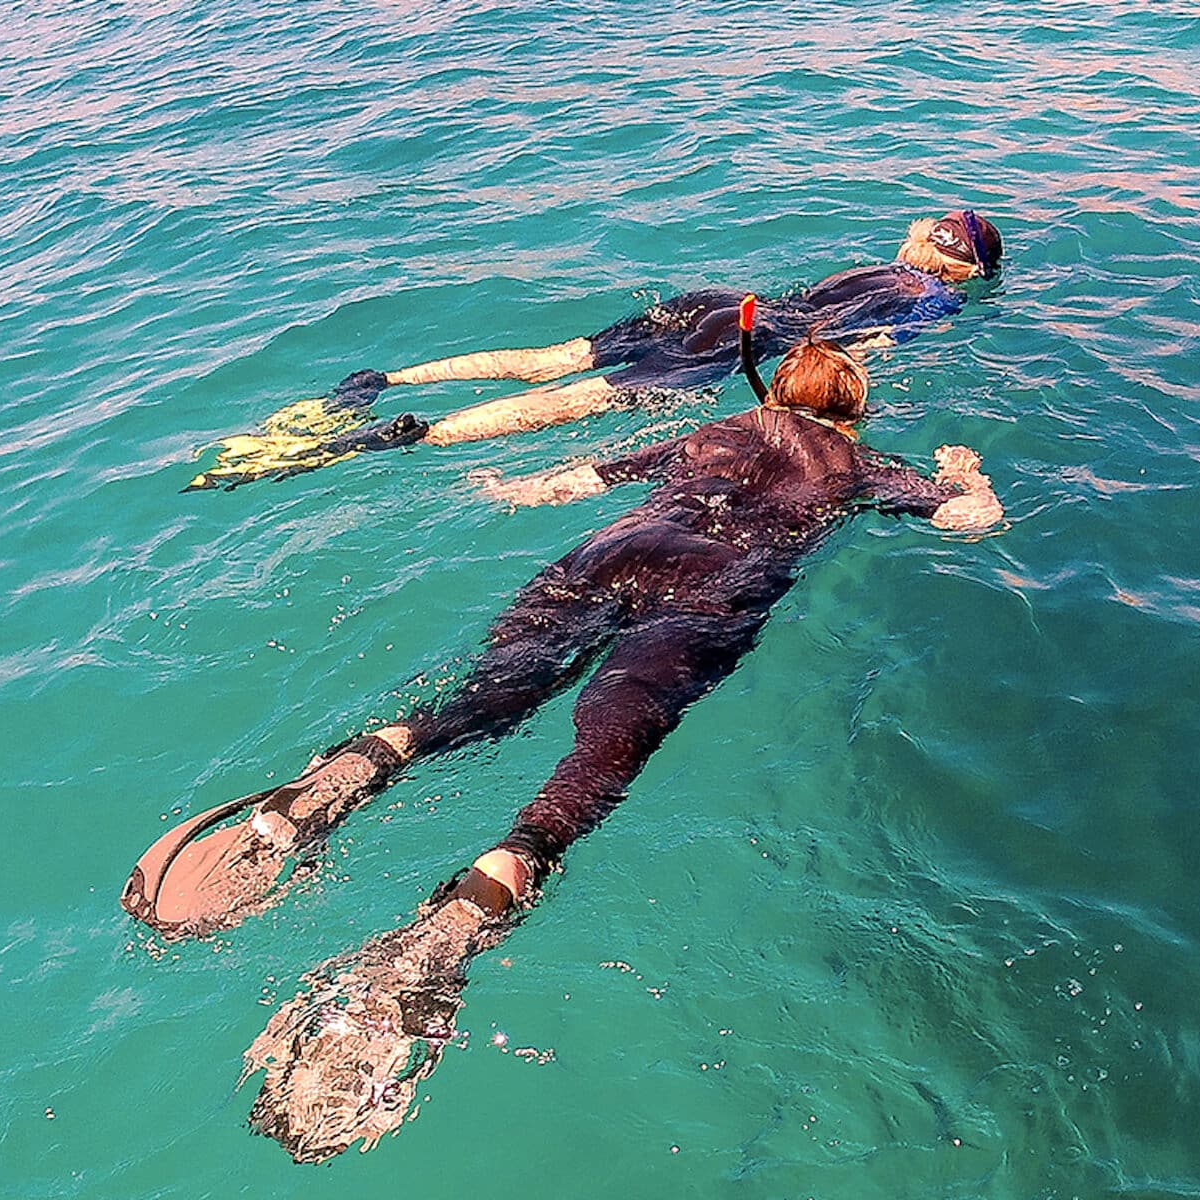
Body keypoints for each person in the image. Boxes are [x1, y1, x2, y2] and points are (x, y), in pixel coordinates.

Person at [125, 319, 1004, 1160]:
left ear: (775, 389)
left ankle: (356, 767)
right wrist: (964, 475)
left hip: (608, 553)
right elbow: (971, 524)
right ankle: (464, 913)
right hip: (713, 588)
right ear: (849, 411)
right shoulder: (858, 466)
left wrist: (513, 489)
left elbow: (576, 479)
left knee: (485, 699)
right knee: (593, 764)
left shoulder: (716, 431)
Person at [184, 210, 1004, 489]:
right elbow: (854, 362)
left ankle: (383, 378)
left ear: (916, 238)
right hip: (759, 342)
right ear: (963, 271)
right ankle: (420, 432)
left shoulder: (877, 261)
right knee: (581, 403)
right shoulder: (932, 301)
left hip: (723, 304)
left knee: (556, 355)